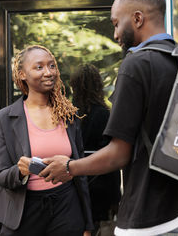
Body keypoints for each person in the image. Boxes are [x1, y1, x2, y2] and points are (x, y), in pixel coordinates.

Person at [40, 0, 178, 236]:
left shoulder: (136, 64)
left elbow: (119, 154)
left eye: (117, 23)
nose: (116, 34)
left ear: (138, 18)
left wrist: (70, 167)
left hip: (153, 219)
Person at [0, 45, 93, 236]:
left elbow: (81, 174)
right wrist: (21, 171)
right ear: (22, 74)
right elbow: (2, 176)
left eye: (52, 66)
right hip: (24, 211)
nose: (48, 72)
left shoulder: (69, 115)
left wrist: (87, 223)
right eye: (39, 67)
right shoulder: (5, 118)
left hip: (67, 207)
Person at [70, 64, 121, 236]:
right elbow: (111, 159)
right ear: (98, 86)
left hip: (74, 186)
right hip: (101, 190)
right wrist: (116, 199)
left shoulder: (68, 114)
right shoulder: (104, 115)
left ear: (75, 86)